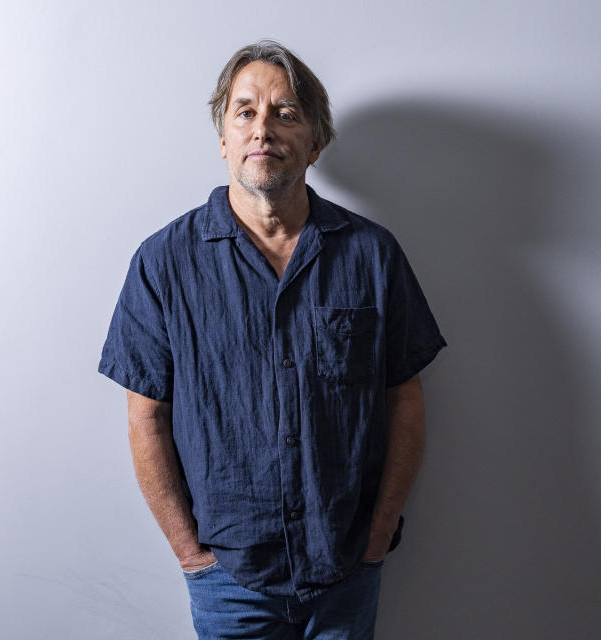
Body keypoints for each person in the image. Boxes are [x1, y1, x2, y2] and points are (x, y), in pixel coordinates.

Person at [97, 39, 447, 639]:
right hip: (229, 581)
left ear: (314, 142)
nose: (264, 129)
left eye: (285, 113)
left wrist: (379, 531)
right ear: (224, 139)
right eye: (246, 111)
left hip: (345, 571)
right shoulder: (163, 265)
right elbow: (145, 419)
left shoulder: (372, 255)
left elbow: (404, 398)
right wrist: (193, 558)